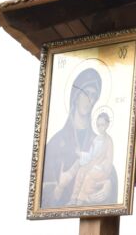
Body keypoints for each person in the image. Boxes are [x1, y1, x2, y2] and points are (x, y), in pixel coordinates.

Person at [42, 68, 102, 208]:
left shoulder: (97, 141)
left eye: (94, 96)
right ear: (76, 95)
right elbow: (45, 202)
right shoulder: (55, 144)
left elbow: (106, 170)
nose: (90, 100)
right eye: (86, 93)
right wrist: (60, 186)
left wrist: (108, 185)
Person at [66, 111, 118, 206]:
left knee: (89, 176)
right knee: (81, 171)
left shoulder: (108, 140)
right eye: (98, 125)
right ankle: (74, 198)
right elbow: (90, 155)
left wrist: (101, 166)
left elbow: (109, 159)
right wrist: (81, 154)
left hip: (102, 169)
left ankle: (81, 200)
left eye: (102, 125)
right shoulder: (96, 139)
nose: (100, 127)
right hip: (92, 164)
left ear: (107, 124)